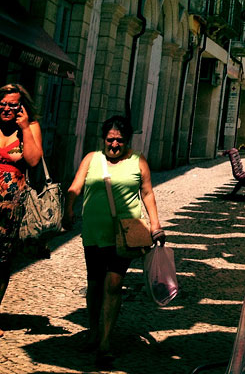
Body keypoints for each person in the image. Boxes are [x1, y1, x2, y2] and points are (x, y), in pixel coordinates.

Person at [63, 116, 164, 370]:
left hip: (125, 235)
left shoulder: (138, 161)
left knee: (114, 284)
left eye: (119, 140)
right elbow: (75, 186)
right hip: (94, 234)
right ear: (103, 139)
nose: (115, 145)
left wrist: (155, 225)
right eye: (110, 140)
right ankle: (93, 331)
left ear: (127, 140)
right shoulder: (91, 159)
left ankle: (105, 342)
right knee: (94, 285)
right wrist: (69, 208)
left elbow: (148, 193)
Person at [0, 83, 42, 334]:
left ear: (22, 106)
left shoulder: (29, 127)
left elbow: (34, 160)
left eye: (12, 104)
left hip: (10, 208)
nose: (6, 109)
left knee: (2, 261)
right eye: (3, 103)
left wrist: (25, 127)